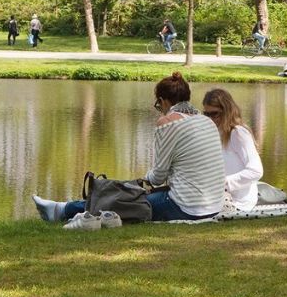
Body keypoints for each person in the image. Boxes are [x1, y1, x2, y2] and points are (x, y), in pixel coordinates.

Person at [33, 72, 225, 225]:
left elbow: (158, 176)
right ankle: (62, 208)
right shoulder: (206, 121)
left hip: (187, 207)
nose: (160, 109)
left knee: (124, 200)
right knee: (134, 194)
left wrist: (142, 179)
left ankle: (61, 210)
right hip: (214, 205)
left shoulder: (168, 123)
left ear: (163, 100)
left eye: (159, 105)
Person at [202, 88, 264, 212]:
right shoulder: (214, 133)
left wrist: (224, 183)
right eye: (206, 114)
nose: (210, 119)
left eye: (214, 114)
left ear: (227, 111)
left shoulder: (238, 133)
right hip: (218, 194)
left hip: (238, 201)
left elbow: (256, 171)